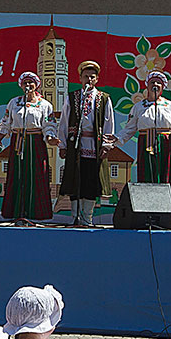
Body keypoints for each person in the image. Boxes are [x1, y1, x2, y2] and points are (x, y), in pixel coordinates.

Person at [117, 71, 171, 216]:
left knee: (166, 176)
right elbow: (130, 128)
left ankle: (167, 214)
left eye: (158, 83)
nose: (155, 85)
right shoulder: (139, 107)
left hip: (165, 144)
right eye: (152, 82)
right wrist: (115, 139)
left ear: (163, 87)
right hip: (146, 143)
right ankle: (147, 212)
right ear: (147, 86)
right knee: (147, 175)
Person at [54, 60, 116, 226]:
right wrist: (63, 145)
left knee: (90, 179)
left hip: (93, 145)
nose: (89, 80)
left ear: (97, 79)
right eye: (86, 76)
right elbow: (64, 121)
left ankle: (87, 217)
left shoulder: (103, 98)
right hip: (75, 145)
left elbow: (108, 122)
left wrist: (106, 144)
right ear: (80, 78)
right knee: (75, 179)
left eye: (92, 77)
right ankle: (75, 216)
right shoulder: (73, 97)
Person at [0, 72, 57, 223]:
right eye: (25, 83)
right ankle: (17, 212)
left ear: (36, 85)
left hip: (35, 141)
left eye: (31, 83)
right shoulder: (14, 103)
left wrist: (50, 137)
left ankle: (35, 213)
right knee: (17, 174)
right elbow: (6, 122)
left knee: (36, 174)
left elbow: (49, 125)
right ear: (21, 85)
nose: (28, 86)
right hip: (18, 140)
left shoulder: (44, 105)